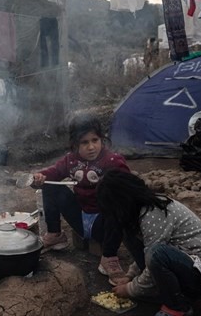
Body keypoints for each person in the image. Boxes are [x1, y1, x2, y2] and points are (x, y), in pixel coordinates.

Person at [97, 170, 201, 316]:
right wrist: (130, 277)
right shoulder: (140, 212)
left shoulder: (154, 212)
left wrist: (130, 289)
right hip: (183, 264)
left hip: (200, 280)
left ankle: (178, 307)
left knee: (158, 253)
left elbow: (153, 255)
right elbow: (145, 250)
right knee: (130, 235)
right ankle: (158, 290)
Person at [32, 114, 131, 286]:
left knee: (120, 204)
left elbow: (130, 189)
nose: (91, 147)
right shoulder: (71, 160)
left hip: (105, 221)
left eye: (95, 140)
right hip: (79, 217)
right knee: (50, 184)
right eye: (84, 142)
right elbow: (52, 173)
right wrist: (39, 178)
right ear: (75, 144)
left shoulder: (113, 161)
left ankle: (109, 257)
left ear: (102, 139)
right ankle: (55, 235)